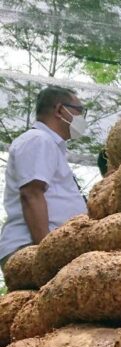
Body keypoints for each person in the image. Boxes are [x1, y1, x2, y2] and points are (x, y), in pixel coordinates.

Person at [0, 86, 89, 270]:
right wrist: (45, 254)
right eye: (80, 111)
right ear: (59, 110)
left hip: (45, 249)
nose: (82, 119)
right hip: (31, 249)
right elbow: (31, 194)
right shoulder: (38, 139)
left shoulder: (51, 146)